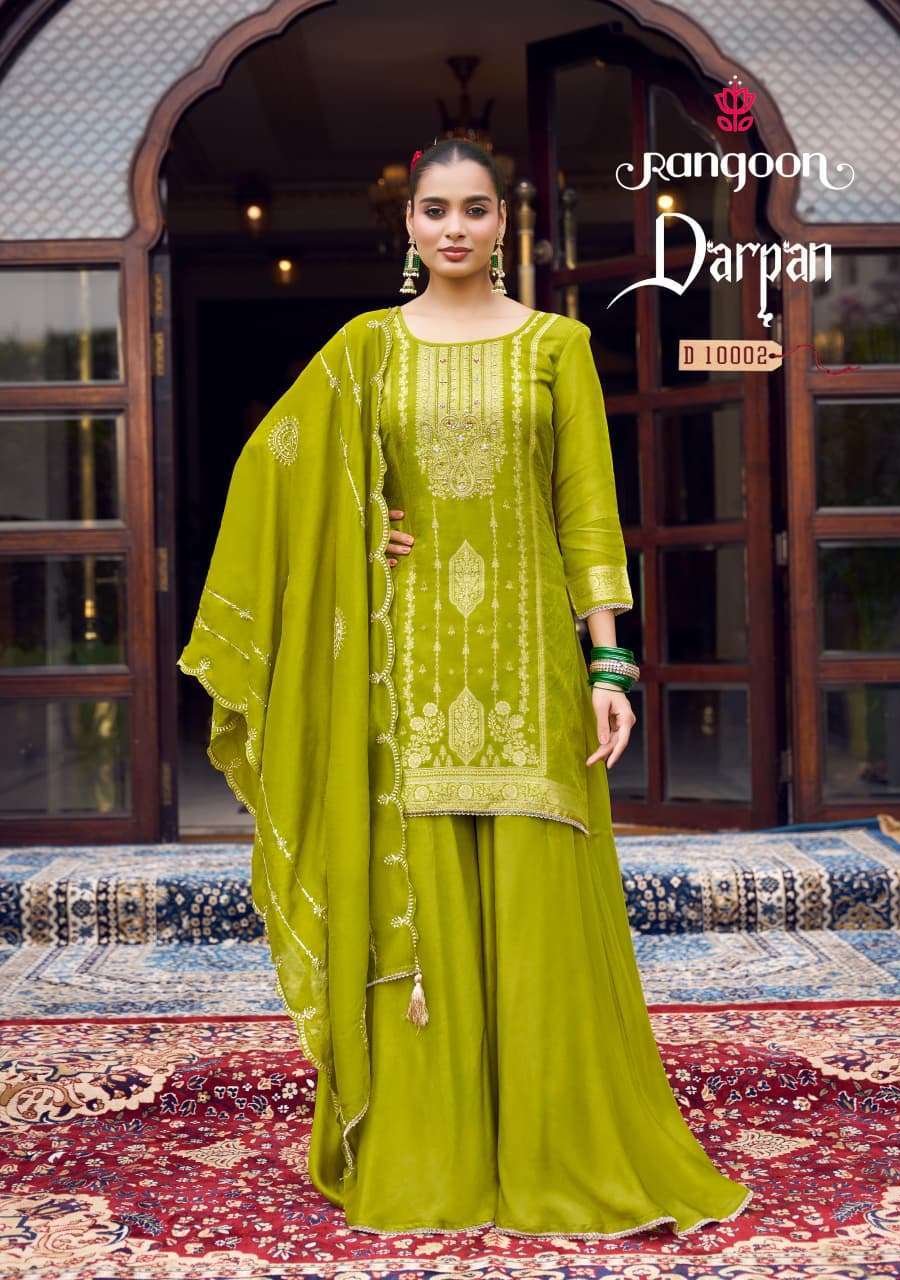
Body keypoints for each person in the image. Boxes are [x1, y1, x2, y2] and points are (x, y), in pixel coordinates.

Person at [177, 137, 753, 1239]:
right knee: (427, 905)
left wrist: (609, 661)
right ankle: (431, 1155)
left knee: (540, 904)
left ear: (503, 222)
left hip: (531, 663)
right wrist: (355, 524)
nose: (453, 227)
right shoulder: (365, 348)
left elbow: (586, 508)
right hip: (406, 665)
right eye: (435, 209)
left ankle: (554, 1148)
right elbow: (277, 468)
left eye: (474, 209)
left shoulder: (556, 346)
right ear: (407, 223)